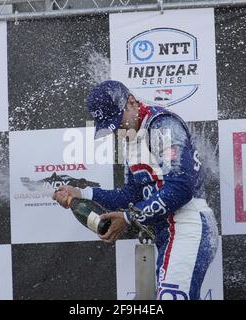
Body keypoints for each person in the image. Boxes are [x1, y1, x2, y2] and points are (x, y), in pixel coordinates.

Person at [53, 80, 218, 300]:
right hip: (168, 232)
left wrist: (129, 217)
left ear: (131, 102)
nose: (117, 130)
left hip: (189, 225)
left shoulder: (163, 125)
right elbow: (132, 194)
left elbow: (181, 188)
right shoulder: (130, 136)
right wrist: (81, 194)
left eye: (117, 122)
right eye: (110, 126)